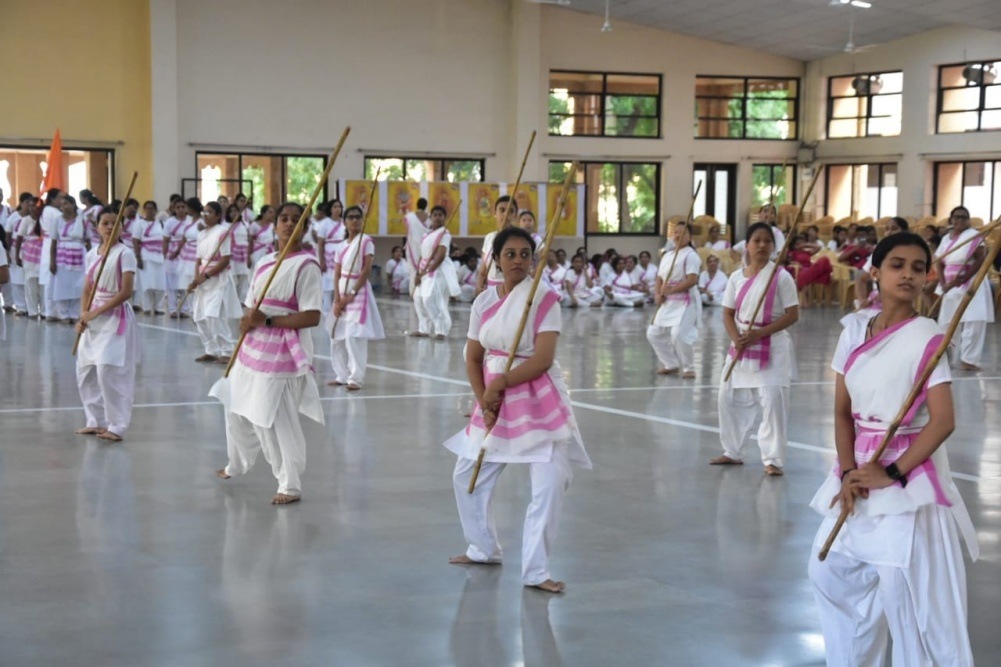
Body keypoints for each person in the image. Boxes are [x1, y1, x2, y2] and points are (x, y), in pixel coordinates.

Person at [808, 232, 977, 667]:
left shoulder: (929, 337)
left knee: (907, 601)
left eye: (918, 267)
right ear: (876, 272)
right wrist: (848, 472)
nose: (907, 274)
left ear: (927, 278)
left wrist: (892, 473)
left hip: (907, 479)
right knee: (829, 574)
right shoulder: (853, 329)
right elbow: (842, 412)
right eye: (897, 264)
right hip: (856, 471)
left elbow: (943, 420)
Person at [445, 226, 592, 593]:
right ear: (495, 259)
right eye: (509, 254)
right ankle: (482, 547)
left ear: (534, 259)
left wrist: (502, 383)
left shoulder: (544, 298)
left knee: (551, 481)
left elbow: (543, 358)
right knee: (468, 476)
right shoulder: (483, 301)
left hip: (537, 395)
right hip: (494, 394)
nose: (518, 261)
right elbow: (474, 357)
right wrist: (485, 398)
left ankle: (537, 570)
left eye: (525, 254)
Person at [211, 201, 324, 505]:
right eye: (283, 218)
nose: (288, 224)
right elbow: (251, 303)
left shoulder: (306, 265)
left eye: (296, 220)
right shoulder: (264, 262)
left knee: (276, 417)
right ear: (274, 225)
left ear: (306, 227)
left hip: (284, 351)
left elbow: (312, 316)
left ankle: (290, 483)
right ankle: (237, 461)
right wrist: (248, 320)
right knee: (234, 403)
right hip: (252, 345)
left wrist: (268, 320)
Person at [711, 222, 799, 476]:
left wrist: (760, 333)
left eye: (767, 241)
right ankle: (732, 451)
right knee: (727, 397)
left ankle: (773, 459)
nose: (762, 245)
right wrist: (736, 337)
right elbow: (727, 313)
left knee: (772, 401)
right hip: (741, 343)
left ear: (773, 246)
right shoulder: (736, 278)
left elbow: (793, 314)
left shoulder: (781, 277)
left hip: (771, 346)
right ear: (746, 246)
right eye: (756, 241)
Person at [74, 207, 139, 443]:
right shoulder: (92, 254)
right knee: (85, 370)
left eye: (115, 223)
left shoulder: (124, 254)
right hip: (93, 319)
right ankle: (95, 420)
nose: (110, 227)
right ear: (97, 226)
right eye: (105, 223)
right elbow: (87, 289)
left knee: (108, 371)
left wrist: (96, 312)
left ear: (122, 227)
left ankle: (117, 424)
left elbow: (126, 292)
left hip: (114, 318)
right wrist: (83, 315)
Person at [926, 205, 995, 371]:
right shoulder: (946, 239)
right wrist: (943, 283)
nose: (960, 220)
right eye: (957, 217)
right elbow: (940, 262)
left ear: (968, 220)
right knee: (948, 323)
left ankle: (968, 360)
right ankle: (946, 358)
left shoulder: (973, 236)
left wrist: (963, 278)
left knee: (974, 321)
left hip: (971, 281)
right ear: (951, 220)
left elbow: (981, 258)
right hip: (949, 284)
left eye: (964, 217)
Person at [329, 206, 385, 389]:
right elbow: (336, 273)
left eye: (357, 217)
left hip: (358, 292)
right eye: (350, 217)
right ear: (344, 221)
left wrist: (350, 294)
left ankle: (356, 377)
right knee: (336, 336)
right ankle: (341, 374)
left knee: (354, 336)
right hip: (341, 288)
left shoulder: (366, 241)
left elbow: (366, 270)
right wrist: (337, 299)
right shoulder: (341, 246)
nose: (354, 221)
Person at [187, 201, 242, 363]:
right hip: (203, 280)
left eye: (209, 212)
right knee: (199, 316)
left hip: (217, 279)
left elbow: (225, 260)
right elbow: (198, 260)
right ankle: (210, 349)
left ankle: (227, 350)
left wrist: (207, 275)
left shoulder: (223, 232)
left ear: (218, 216)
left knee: (213, 315)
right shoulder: (201, 234)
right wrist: (196, 279)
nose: (205, 215)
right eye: (204, 212)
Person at [648, 223, 701, 377]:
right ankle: (670, 363)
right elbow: (659, 277)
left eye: (682, 233)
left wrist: (672, 290)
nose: (678, 236)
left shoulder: (691, 256)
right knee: (653, 333)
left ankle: (688, 367)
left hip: (685, 301)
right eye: (675, 233)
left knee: (678, 334)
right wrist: (658, 294)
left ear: (689, 237)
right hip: (667, 301)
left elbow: (692, 280)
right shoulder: (667, 255)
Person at [413, 205, 453, 339]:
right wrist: (418, 273)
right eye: (435, 215)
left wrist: (427, 271)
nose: (437, 217)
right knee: (418, 298)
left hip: (437, 270)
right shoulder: (426, 235)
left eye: (440, 215)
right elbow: (422, 254)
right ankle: (424, 329)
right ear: (430, 217)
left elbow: (440, 255)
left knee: (432, 299)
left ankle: (441, 330)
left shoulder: (444, 234)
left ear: (444, 218)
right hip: (423, 268)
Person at [49, 195, 91, 323]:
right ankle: (63, 314)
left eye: (66, 204)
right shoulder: (57, 220)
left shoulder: (82, 220)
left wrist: (91, 260)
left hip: (79, 255)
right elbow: (53, 242)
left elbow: (88, 240)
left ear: (73, 204)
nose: (63, 207)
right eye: (61, 205)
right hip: (62, 256)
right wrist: (52, 261)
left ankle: (74, 314)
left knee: (78, 285)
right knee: (62, 285)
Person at [476, 196, 516, 293]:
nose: (506, 214)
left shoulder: (518, 239)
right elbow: (483, 269)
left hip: (512, 291)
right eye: (502, 210)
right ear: (495, 213)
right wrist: (479, 287)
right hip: (491, 291)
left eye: (510, 211)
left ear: (515, 215)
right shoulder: (489, 238)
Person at [14, 196, 45, 318]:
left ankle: (44, 311)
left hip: (43, 253)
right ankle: (32, 311)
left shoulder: (44, 219)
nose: (32, 209)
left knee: (43, 284)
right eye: (31, 206)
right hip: (30, 254)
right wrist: (17, 256)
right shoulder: (26, 220)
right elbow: (19, 238)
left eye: (35, 206)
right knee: (30, 282)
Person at [133, 200, 166, 315]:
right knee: (147, 284)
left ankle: (159, 307)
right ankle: (147, 307)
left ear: (155, 210)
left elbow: (166, 240)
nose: (149, 210)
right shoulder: (139, 223)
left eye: (152, 208)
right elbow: (135, 241)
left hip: (159, 256)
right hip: (145, 256)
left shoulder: (161, 223)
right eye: (147, 208)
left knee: (160, 284)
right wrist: (138, 258)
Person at [313, 199, 345, 313]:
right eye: (335, 207)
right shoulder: (325, 223)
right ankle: (326, 313)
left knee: (340, 285)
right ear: (330, 209)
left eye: (339, 207)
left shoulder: (344, 223)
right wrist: (321, 261)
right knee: (328, 288)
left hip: (341, 254)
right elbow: (320, 243)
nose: (337, 209)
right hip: (328, 256)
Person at [164, 198, 194, 317]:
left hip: (187, 253)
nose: (181, 210)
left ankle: (184, 309)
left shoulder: (191, 221)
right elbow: (165, 240)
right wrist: (164, 255)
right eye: (178, 207)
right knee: (172, 282)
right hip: (172, 254)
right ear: (174, 209)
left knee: (185, 281)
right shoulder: (169, 222)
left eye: (183, 207)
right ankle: (172, 309)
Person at [225, 204, 251, 303]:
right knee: (232, 275)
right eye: (231, 211)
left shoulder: (245, 224)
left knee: (244, 276)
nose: (233, 213)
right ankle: (233, 299)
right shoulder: (225, 225)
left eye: (235, 211)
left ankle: (242, 298)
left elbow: (249, 238)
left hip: (243, 252)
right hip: (232, 253)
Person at [403, 197, 429, 295]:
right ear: (426, 206)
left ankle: (413, 292)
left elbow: (407, 230)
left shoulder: (409, 216)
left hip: (412, 246)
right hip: (425, 246)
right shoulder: (429, 217)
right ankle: (423, 292)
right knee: (424, 268)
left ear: (417, 205)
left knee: (413, 270)